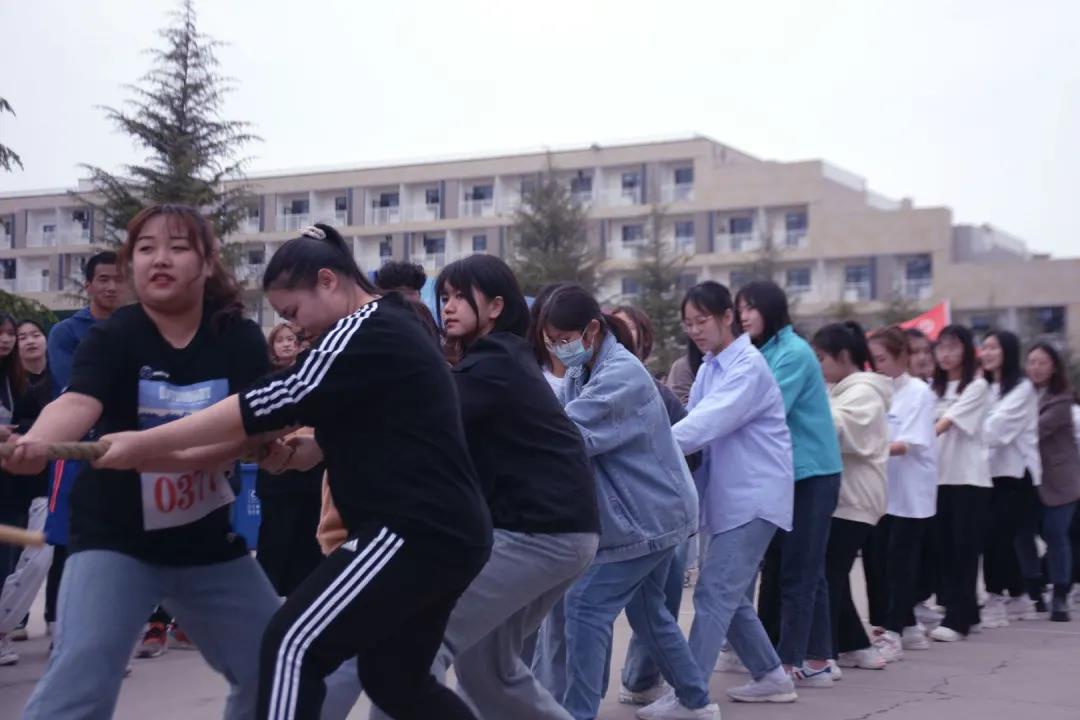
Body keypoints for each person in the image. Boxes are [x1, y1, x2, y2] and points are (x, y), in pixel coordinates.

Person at [94, 222, 493, 720]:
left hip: (414, 530)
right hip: (446, 532)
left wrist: (146, 442)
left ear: (328, 281)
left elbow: (274, 399)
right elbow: (331, 437)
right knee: (395, 679)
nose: (296, 327)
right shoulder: (394, 324)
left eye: (292, 312)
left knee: (291, 645)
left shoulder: (363, 328)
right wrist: (285, 454)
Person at [3, 204, 281, 719]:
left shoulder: (238, 338)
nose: (160, 259)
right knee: (80, 682)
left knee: (276, 666)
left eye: (177, 248)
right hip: (114, 541)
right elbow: (77, 402)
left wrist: (154, 452)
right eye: (146, 249)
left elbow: (244, 431)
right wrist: (33, 445)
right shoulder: (114, 336)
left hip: (207, 546)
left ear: (207, 260)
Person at [368, 255, 600, 719]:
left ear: (495, 306)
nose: (448, 307)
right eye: (445, 297)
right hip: (561, 533)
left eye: (459, 296)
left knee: (413, 646)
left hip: (540, 533)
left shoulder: (496, 363)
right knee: (488, 669)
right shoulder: (498, 360)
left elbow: (422, 417)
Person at [532, 285, 716, 720]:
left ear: (591, 329)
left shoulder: (620, 374)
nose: (558, 347)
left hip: (648, 517)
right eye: (551, 340)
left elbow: (566, 434)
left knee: (585, 606)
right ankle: (696, 703)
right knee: (650, 615)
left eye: (563, 338)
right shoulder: (587, 369)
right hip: (648, 513)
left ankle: (578, 713)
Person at [664, 281, 796, 705]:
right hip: (727, 499)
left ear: (727, 317)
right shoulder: (710, 366)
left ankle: (691, 697)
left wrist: (650, 447)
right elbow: (698, 425)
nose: (695, 330)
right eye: (688, 324)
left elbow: (708, 423)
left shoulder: (748, 367)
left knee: (713, 593)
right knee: (732, 597)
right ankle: (773, 676)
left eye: (702, 321)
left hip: (755, 498)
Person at [734, 280, 843, 687]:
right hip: (788, 474)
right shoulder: (763, 351)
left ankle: (786, 664)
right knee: (800, 568)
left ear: (771, 308)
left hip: (812, 473)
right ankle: (817, 660)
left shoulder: (793, 352)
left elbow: (767, 406)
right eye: (739, 308)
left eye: (750, 307)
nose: (743, 315)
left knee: (799, 569)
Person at [610, 304, 702, 706]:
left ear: (642, 344)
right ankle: (658, 685)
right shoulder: (595, 384)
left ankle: (653, 683)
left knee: (648, 606)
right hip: (629, 519)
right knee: (649, 607)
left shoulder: (655, 392)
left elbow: (692, 452)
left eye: (626, 334)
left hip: (660, 517)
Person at [42, 251, 121, 641]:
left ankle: (106, 632)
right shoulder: (66, 333)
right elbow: (70, 386)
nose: (111, 286)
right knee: (68, 540)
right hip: (74, 450)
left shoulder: (135, 328)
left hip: (122, 448)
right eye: (103, 279)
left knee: (115, 543)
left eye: (118, 279)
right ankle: (59, 625)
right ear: (88, 285)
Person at [811, 323, 891, 671]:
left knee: (829, 572)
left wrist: (805, 402)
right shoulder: (843, 389)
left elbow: (837, 428)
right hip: (846, 498)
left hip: (856, 499)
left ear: (844, 357)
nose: (818, 365)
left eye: (821, 358)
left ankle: (832, 650)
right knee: (833, 573)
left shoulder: (864, 392)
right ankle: (853, 645)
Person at [863, 327, 939, 660]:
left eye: (881, 358)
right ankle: (907, 628)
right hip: (883, 488)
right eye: (873, 359)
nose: (876, 365)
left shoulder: (919, 392)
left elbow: (907, 443)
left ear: (901, 356)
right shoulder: (875, 390)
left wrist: (864, 448)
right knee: (880, 561)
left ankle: (892, 633)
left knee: (900, 564)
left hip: (911, 492)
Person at [929, 324, 992, 642]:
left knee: (963, 550)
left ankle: (957, 620)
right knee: (945, 548)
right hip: (939, 478)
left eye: (953, 347)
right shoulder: (932, 388)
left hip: (968, 479)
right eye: (941, 347)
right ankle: (970, 612)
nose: (946, 353)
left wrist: (917, 438)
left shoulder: (977, 387)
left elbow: (947, 422)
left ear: (967, 351)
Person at [255, 323, 324, 598]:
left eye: (291, 339)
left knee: (308, 539)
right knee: (275, 537)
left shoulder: (311, 375)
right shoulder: (263, 380)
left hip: (310, 470)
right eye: (280, 340)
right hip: (275, 472)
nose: (286, 344)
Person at [979, 331, 1042, 627]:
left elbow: (996, 431)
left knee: (996, 538)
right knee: (1002, 538)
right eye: (985, 347)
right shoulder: (988, 386)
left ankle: (995, 600)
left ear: (1008, 351)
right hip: (990, 473)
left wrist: (959, 423)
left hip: (1015, 474)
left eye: (994, 347)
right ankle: (1019, 597)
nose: (987, 352)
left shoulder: (1023, 388)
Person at [0, 319, 53, 665]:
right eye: (2, 333)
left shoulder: (17, 382)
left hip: (18, 485)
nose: (6, 339)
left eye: (9, 333)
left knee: (21, 560)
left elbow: (36, 422)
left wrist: (17, 435)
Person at [1021, 343, 1080, 622]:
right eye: (1032, 362)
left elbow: (1035, 428)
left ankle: (1060, 595)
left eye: (1042, 362)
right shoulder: (1020, 394)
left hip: (1060, 480)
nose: (1036, 367)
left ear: (1054, 366)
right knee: (1022, 534)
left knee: (1057, 535)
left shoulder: (1062, 399)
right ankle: (1033, 590)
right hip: (1027, 479)